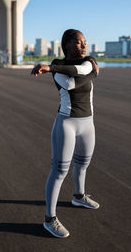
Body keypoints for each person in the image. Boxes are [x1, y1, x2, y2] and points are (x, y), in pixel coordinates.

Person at [31, 29, 100, 238]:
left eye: (85, 42)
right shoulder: (59, 66)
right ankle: (49, 219)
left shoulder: (86, 61)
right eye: (78, 43)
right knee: (59, 171)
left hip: (88, 123)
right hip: (66, 123)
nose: (83, 46)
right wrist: (90, 74)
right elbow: (72, 83)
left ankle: (79, 196)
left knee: (83, 164)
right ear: (66, 45)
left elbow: (83, 71)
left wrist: (51, 68)